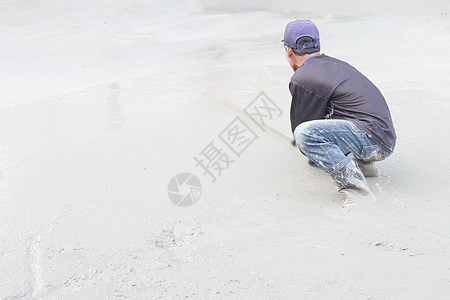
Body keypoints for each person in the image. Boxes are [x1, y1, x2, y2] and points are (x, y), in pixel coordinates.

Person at [282, 19, 396, 206]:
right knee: (333, 117)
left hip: (370, 138)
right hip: (385, 137)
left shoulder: (302, 77)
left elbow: (303, 132)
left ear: (288, 50)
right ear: (319, 45)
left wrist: (309, 151)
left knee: (305, 134)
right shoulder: (337, 65)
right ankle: (364, 167)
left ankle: (359, 194)